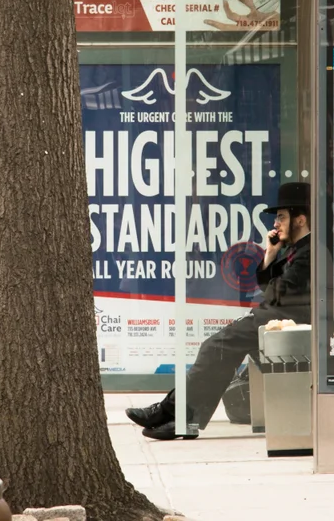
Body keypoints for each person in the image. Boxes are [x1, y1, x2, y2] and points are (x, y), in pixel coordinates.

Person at [126, 182, 312, 440]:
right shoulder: (294, 249)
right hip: (274, 320)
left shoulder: (309, 253)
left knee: (216, 346)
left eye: (281, 217)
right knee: (220, 349)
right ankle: (181, 417)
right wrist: (270, 252)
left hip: (288, 326)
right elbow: (267, 287)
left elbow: (275, 294)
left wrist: (270, 282)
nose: (276, 223)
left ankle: (172, 412)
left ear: (300, 219)